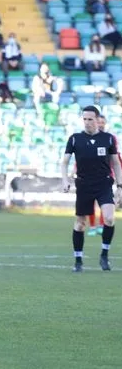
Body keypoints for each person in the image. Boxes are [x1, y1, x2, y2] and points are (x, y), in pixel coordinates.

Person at [60, 105, 120, 272]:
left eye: (90, 119)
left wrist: (120, 186)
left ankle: (104, 255)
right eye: (84, 119)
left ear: (97, 120)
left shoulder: (108, 139)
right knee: (80, 224)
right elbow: (64, 162)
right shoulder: (74, 139)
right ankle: (78, 260)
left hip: (104, 184)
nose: (87, 122)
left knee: (109, 218)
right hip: (84, 185)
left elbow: (116, 163)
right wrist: (65, 180)